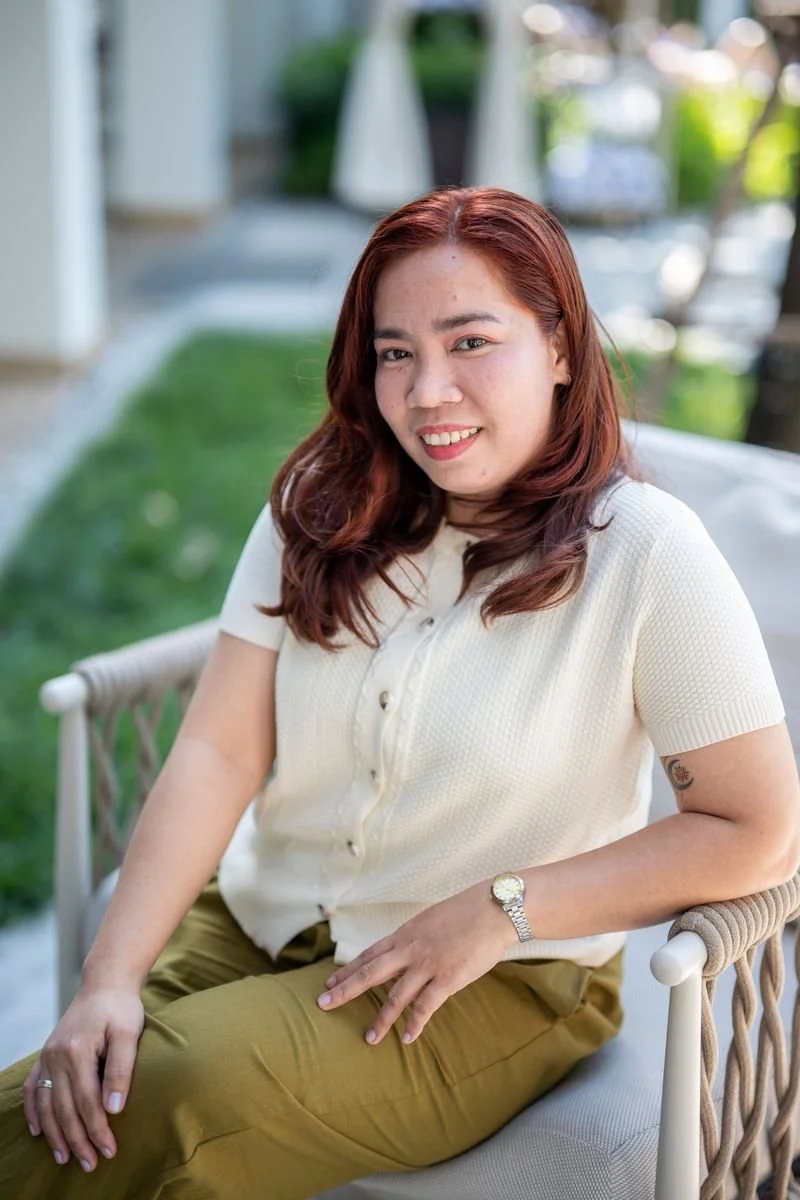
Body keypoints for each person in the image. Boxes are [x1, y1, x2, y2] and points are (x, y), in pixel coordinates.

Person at [1, 186, 798, 1200]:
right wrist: (106, 976)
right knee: (69, 1091)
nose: (426, 392)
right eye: (393, 352)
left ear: (561, 347)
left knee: (168, 1094)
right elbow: (217, 752)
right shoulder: (317, 507)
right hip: (258, 910)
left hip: (499, 980)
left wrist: (503, 907)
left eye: (469, 343)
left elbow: (757, 828)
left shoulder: (646, 554)